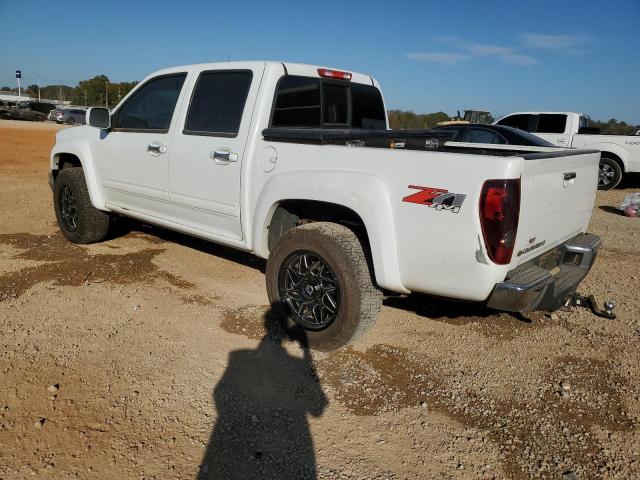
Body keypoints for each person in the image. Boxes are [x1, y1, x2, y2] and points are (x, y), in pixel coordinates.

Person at [198, 309, 328, 479]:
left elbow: (219, 393)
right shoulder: (292, 364)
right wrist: (306, 353)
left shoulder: (238, 358)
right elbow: (318, 408)